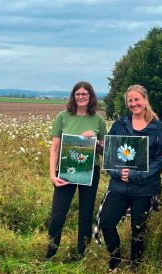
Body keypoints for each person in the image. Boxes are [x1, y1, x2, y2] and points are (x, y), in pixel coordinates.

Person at [97, 85, 162, 271]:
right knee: (106, 222)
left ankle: (136, 267)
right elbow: (110, 153)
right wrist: (117, 173)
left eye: (137, 99)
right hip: (119, 186)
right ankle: (115, 263)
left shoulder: (158, 129)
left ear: (145, 100)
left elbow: (161, 160)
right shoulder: (120, 125)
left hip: (145, 188)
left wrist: (136, 175)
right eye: (130, 100)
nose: (134, 103)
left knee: (139, 229)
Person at [46, 81, 107, 259]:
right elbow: (55, 148)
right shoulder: (62, 117)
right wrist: (52, 174)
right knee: (58, 214)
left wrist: (95, 141)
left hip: (90, 171)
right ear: (73, 96)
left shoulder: (98, 120)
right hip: (66, 171)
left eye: (84, 94)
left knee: (85, 214)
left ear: (90, 97)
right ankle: (50, 253)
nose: (81, 97)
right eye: (78, 94)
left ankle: (82, 254)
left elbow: (104, 151)